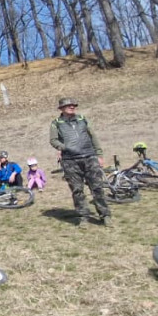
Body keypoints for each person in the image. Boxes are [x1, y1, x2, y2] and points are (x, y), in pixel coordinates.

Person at [49, 97, 109, 226]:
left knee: (97, 188)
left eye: (74, 105)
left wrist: (99, 154)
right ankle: (83, 217)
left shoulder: (82, 119)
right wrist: (65, 147)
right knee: (77, 190)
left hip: (89, 157)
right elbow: (53, 140)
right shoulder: (56, 123)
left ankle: (105, 215)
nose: (72, 107)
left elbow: (93, 136)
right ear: (62, 108)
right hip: (70, 161)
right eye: (69, 105)